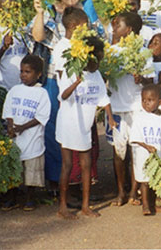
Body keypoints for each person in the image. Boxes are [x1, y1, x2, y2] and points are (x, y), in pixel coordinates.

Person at [27, 0, 104, 186]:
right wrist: (40, 13)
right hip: (56, 78)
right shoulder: (50, 11)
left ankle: (81, 180)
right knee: (55, 127)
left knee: (82, 125)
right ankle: (56, 180)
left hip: (83, 78)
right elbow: (38, 36)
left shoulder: (86, 9)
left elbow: (101, 37)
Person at [56, 36, 113, 219]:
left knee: (86, 165)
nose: (98, 65)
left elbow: (104, 99)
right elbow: (63, 96)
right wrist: (76, 82)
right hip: (67, 124)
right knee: (67, 165)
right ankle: (62, 207)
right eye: (97, 60)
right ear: (87, 58)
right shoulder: (70, 71)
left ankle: (86, 206)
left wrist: (110, 118)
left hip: (85, 126)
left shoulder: (96, 75)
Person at [106, 11, 154, 206]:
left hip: (135, 107)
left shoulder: (143, 52)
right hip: (116, 107)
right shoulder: (112, 51)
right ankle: (121, 191)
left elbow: (151, 80)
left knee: (136, 150)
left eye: (118, 26)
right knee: (118, 152)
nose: (115, 29)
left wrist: (140, 78)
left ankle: (134, 191)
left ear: (129, 30)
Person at [4, 55, 51, 211]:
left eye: (28, 72)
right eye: (22, 71)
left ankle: (30, 198)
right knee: (13, 168)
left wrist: (23, 127)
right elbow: (8, 111)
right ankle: (12, 197)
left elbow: (41, 116)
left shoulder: (42, 93)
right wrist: (11, 126)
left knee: (32, 169)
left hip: (33, 138)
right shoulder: (14, 90)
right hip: (15, 138)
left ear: (38, 74)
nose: (23, 75)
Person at [129, 84, 161, 215]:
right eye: (143, 100)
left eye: (150, 100)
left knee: (156, 180)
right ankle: (145, 206)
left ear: (160, 101)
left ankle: (154, 204)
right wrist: (146, 146)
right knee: (144, 182)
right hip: (144, 155)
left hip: (159, 155)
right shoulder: (139, 117)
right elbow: (135, 137)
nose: (146, 103)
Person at [0, 0, 29, 91]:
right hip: (4, 88)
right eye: (7, 9)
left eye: (15, 8)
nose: (12, 13)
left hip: (23, 87)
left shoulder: (23, 30)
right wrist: (4, 48)